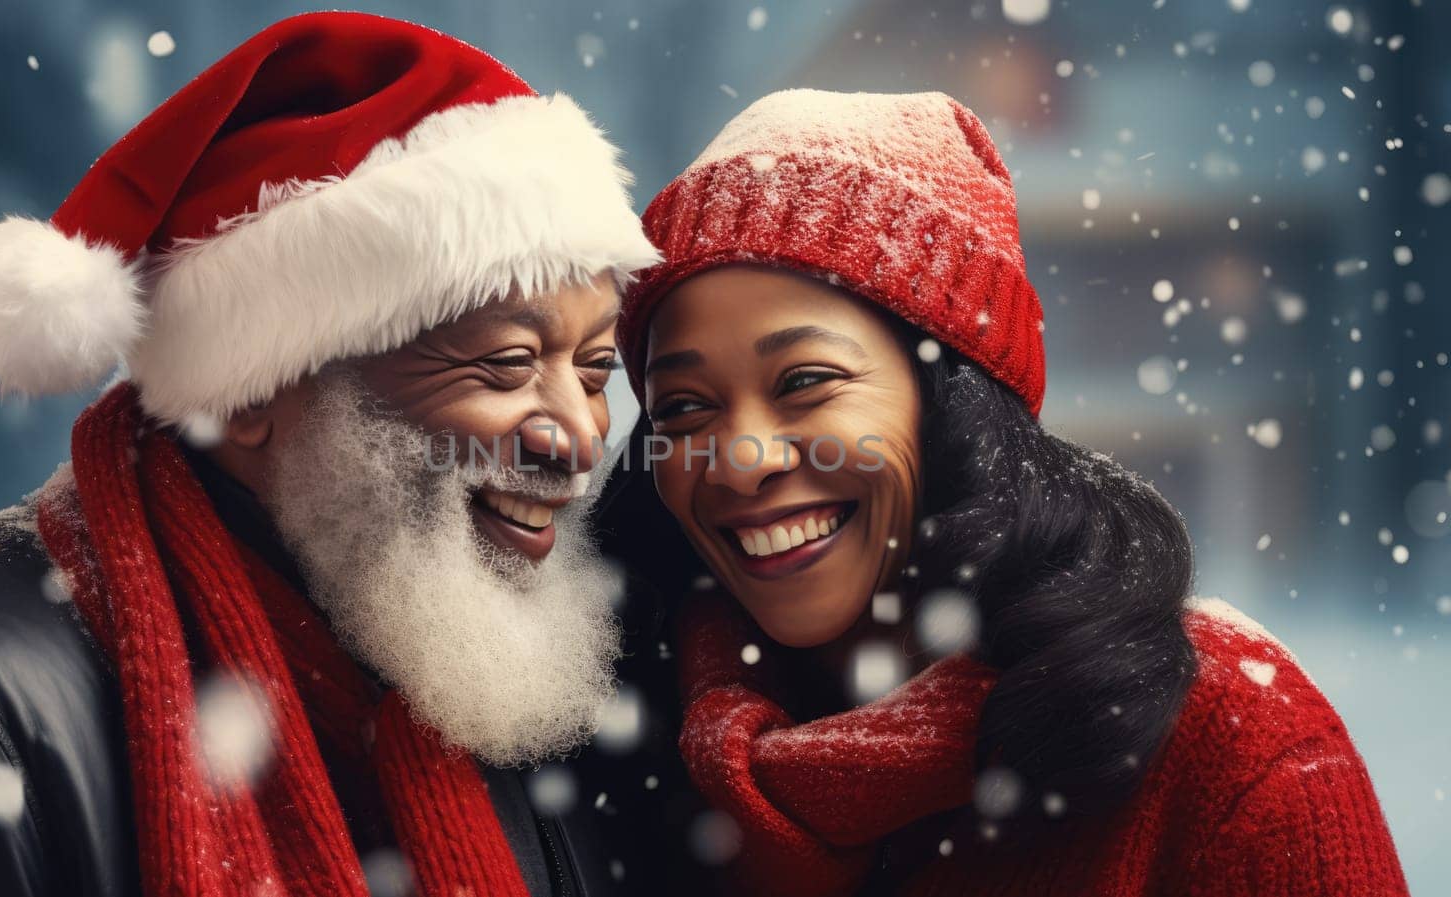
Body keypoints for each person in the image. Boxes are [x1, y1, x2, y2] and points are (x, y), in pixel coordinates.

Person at [0, 13, 663, 897]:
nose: (580, 433)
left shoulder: (504, 663)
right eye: (507, 365)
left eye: (593, 371)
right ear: (250, 394)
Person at [600, 89, 1409, 896]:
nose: (740, 459)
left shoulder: (1231, 744)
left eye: (807, 380)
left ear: (955, 403)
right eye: (683, 406)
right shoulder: (629, 746)